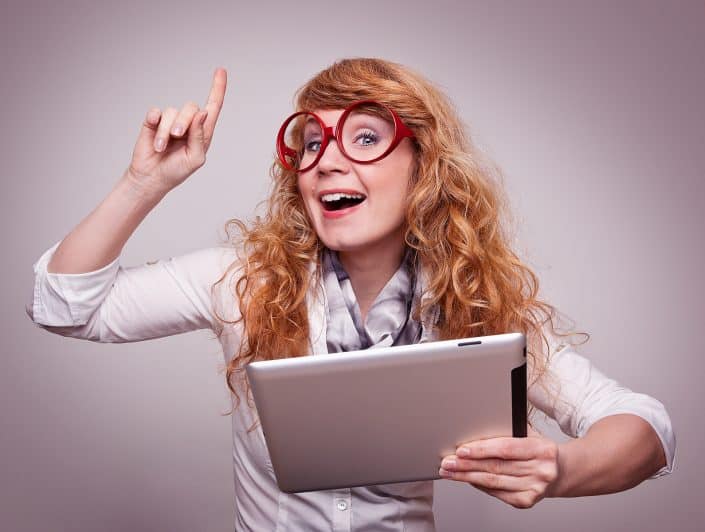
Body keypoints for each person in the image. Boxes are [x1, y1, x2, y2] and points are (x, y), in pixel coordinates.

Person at [26, 58, 675, 531]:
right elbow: (65, 306)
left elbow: (644, 427)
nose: (329, 160)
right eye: (312, 143)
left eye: (365, 137)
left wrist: (560, 471)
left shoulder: (475, 307)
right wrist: (145, 182)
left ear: (424, 165)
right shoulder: (245, 282)